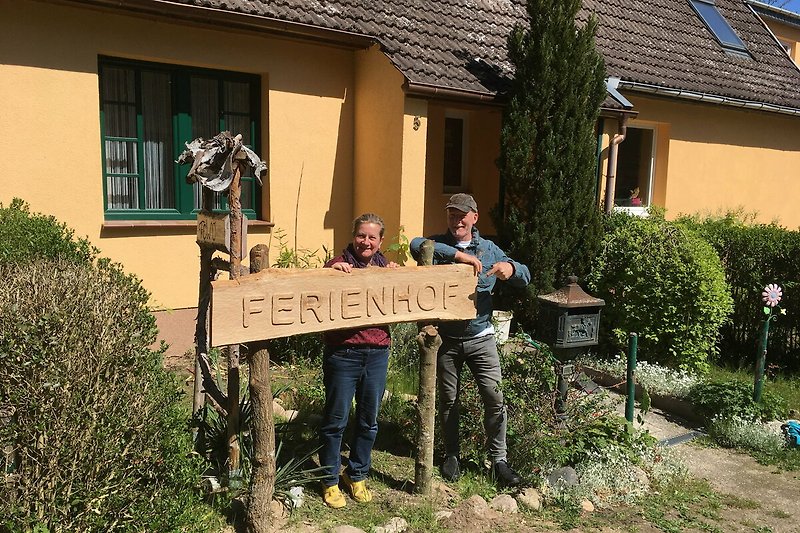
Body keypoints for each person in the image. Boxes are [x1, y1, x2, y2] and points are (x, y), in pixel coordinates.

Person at [410, 193, 531, 487]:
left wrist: (511, 270)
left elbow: (525, 276)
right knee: (449, 400)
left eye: (462, 215)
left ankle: (498, 461)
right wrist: (459, 256)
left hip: (481, 338)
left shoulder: (489, 250)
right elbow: (415, 245)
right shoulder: (438, 246)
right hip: (447, 340)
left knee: (494, 398)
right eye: (452, 214)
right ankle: (452, 455)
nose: (457, 220)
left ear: (474, 217)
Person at [318, 213, 398, 508]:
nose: (366, 241)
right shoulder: (337, 266)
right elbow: (319, 282)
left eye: (372, 237)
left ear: (380, 241)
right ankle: (329, 480)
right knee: (335, 420)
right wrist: (331, 270)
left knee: (369, 421)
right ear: (354, 237)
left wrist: (397, 275)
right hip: (344, 354)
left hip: (377, 353)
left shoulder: (386, 269)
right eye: (362, 235)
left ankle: (357, 474)